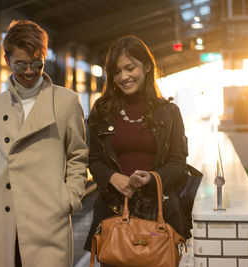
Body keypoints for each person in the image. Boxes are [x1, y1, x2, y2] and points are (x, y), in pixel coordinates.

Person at [0, 20, 88, 267]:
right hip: (4, 220)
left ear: (45, 56)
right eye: (21, 65)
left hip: (48, 220)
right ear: (7, 59)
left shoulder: (66, 102)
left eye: (37, 63)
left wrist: (68, 199)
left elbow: (78, 155)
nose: (29, 72)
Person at [84, 35, 189, 263]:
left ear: (147, 66)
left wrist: (152, 178)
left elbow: (179, 163)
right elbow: (93, 160)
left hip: (158, 216)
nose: (123, 77)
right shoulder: (102, 110)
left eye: (130, 68)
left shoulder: (169, 113)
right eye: (116, 71)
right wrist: (113, 178)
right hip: (113, 213)